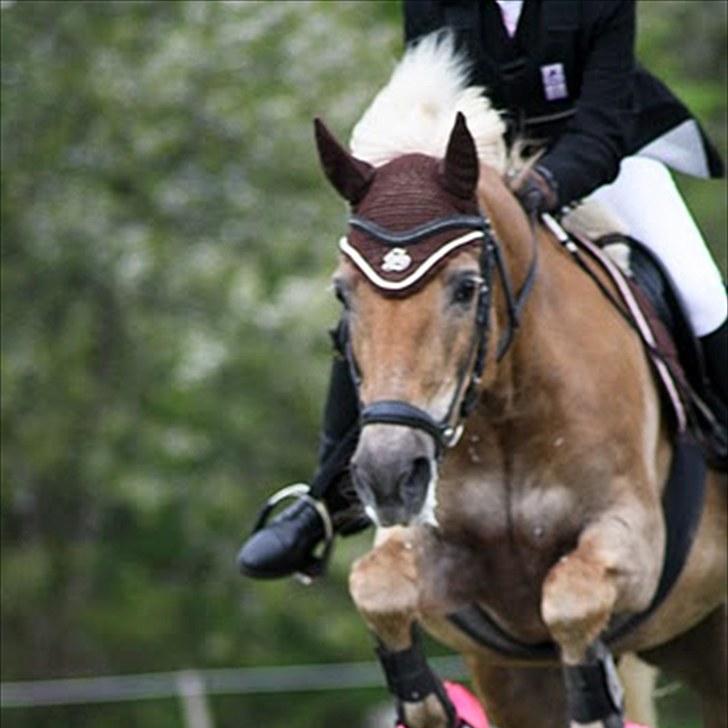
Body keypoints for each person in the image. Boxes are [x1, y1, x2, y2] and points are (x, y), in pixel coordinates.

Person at [238, 0, 726, 581]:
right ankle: (322, 501)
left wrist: (546, 184)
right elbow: (432, 97)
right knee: (385, 288)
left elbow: (603, 125)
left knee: (700, 293)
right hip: (477, 168)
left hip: (605, 157)